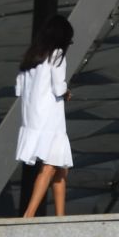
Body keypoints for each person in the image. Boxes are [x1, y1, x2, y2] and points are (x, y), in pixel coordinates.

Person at [14, 16, 73, 218]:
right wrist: (66, 91)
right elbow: (58, 87)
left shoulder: (31, 58)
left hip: (32, 118)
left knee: (61, 169)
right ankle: (28, 215)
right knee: (49, 166)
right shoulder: (57, 55)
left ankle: (60, 216)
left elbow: (19, 89)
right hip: (51, 120)